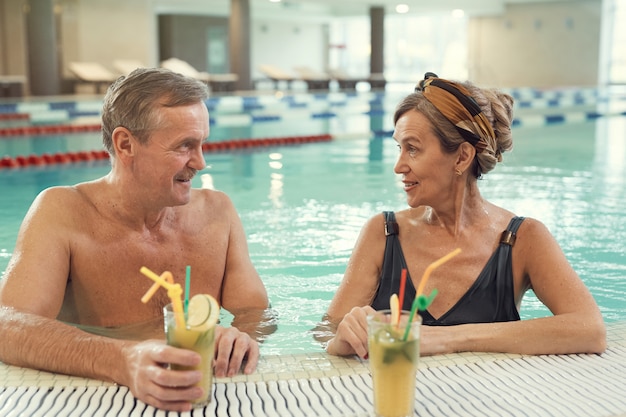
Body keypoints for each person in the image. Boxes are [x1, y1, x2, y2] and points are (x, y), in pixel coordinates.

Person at [0, 67, 269, 412]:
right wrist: (122, 358)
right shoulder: (62, 213)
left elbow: (256, 314)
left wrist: (241, 338)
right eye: (184, 146)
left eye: (202, 143)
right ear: (125, 144)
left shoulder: (218, 213)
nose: (201, 162)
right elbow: (8, 326)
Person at [323, 73, 606, 359]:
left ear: (461, 157)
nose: (399, 166)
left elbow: (590, 329)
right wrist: (342, 338)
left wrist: (444, 338)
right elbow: (325, 333)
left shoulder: (521, 239)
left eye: (413, 149)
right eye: (400, 148)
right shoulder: (383, 233)